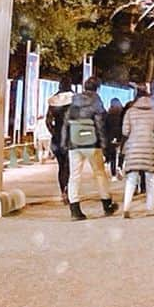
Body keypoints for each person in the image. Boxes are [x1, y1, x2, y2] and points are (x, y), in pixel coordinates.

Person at [64, 77, 117, 221]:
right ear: (97, 88)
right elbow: (100, 124)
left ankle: (75, 210)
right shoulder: (96, 101)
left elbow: (66, 123)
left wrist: (65, 143)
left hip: (74, 142)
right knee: (99, 173)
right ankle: (107, 204)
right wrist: (105, 145)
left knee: (74, 176)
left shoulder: (73, 101)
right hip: (92, 143)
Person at [121, 83, 154, 218]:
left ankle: (126, 207)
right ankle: (150, 208)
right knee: (150, 178)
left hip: (133, 146)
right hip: (149, 146)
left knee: (131, 179)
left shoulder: (131, 111)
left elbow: (125, 131)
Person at [45, 78, 74, 202]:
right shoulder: (73, 99)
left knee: (61, 166)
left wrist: (54, 132)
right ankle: (69, 190)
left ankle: (63, 191)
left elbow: (48, 121)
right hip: (70, 138)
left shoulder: (53, 101)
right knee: (69, 166)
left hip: (56, 139)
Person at [105, 96, 125, 178]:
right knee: (122, 152)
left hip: (111, 136)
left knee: (113, 155)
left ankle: (113, 174)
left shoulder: (109, 113)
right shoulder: (123, 113)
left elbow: (105, 126)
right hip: (122, 135)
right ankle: (119, 166)